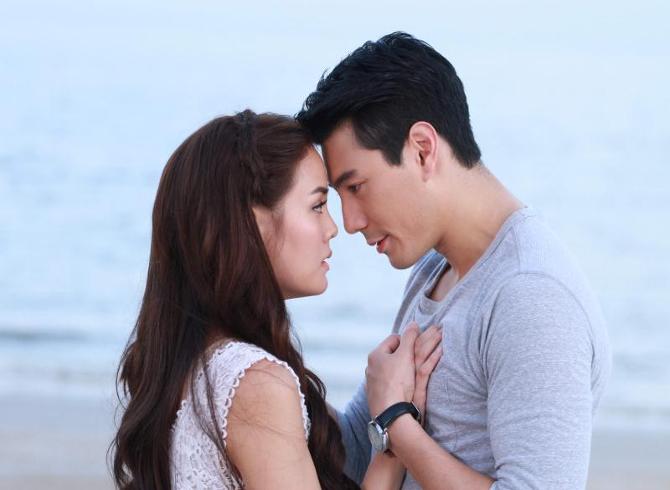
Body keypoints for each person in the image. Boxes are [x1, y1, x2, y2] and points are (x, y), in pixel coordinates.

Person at [296, 32, 612, 489]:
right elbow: (359, 452)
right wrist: (256, 343)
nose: (349, 221)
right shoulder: (433, 271)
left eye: (356, 187)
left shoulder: (531, 295)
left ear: (422, 149)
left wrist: (398, 424)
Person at [110, 110, 442, 489]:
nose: (334, 228)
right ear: (251, 223)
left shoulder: (187, 364)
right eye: (317, 205)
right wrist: (392, 428)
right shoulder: (255, 383)